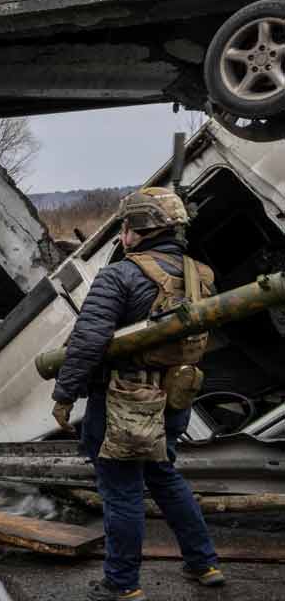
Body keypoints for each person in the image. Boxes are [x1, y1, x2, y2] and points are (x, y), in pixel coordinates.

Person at [51, 188, 223, 601]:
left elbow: (88, 342)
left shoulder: (120, 275)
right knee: (164, 475)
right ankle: (205, 564)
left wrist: (65, 394)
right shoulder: (202, 274)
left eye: (126, 226)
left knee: (121, 489)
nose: (122, 234)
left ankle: (123, 584)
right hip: (175, 397)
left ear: (140, 229)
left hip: (122, 401)